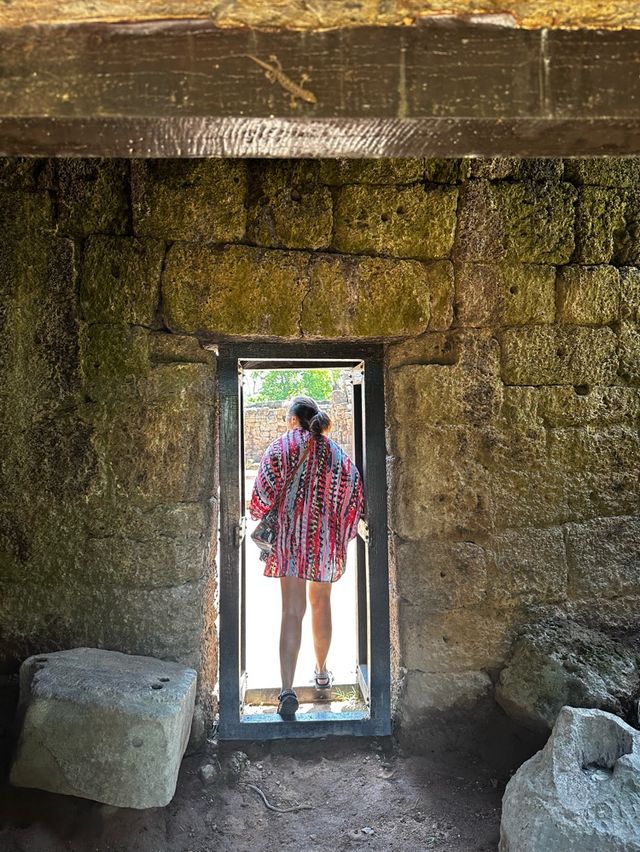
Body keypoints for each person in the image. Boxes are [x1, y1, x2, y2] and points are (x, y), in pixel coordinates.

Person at [249, 395, 364, 719]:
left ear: (291, 419)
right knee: (321, 604)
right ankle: (323, 672)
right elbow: (355, 492)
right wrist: (339, 529)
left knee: (291, 611)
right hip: (324, 543)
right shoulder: (335, 453)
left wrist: (265, 513)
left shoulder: (281, 448)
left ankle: (287, 690)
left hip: (290, 543)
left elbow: (259, 498)